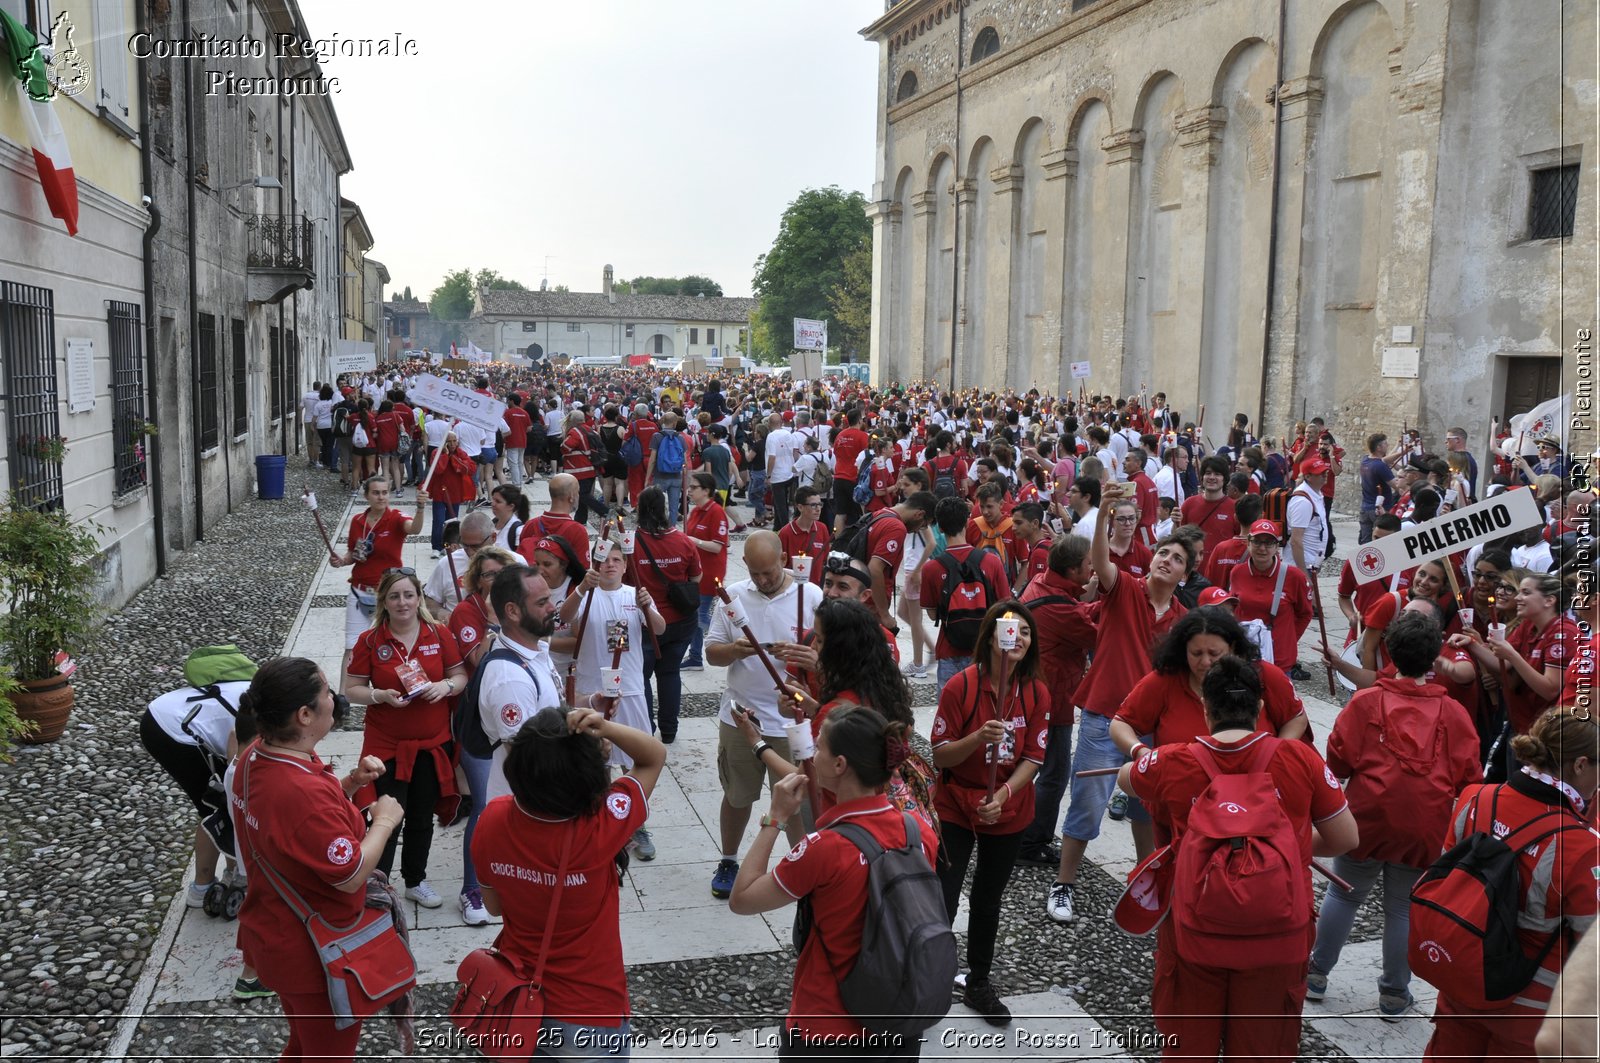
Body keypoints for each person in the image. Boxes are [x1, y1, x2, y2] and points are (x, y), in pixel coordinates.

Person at [1119, 656, 1357, 1061]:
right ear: (1261, 709)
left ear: (1205, 708)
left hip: (1194, 929)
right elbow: (1345, 837)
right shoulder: (1299, 759)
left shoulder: (1175, 760)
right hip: (1280, 934)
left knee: (1188, 1047)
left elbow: (1127, 776)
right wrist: (1292, 842)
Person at [729, 706, 938, 1060]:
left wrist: (775, 817)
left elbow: (743, 898)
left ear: (839, 765)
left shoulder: (824, 848)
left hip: (826, 1024)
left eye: (819, 746)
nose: (812, 752)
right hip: (899, 1016)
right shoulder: (918, 832)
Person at [1306, 611, 1481, 1021]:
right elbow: (1469, 777)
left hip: (1367, 817)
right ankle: (1393, 993)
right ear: (1434, 656)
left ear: (1390, 651)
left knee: (1343, 893)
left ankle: (1315, 975)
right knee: (1403, 908)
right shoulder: (1454, 713)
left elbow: (1339, 760)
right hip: (1424, 823)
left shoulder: (1367, 701)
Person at [230, 657, 404, 1062]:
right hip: (314, 955)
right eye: (327, 691)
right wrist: (384, 821)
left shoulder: (257, 754)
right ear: (305, 714)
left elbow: (292, 829)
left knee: (303, 1047)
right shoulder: (299, 793)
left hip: (274, 932)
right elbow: (350, 875)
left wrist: (350, 783)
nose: (335, 697)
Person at [473, 705, 666, 1060]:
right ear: (589, 777)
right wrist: (605, 726)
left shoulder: (492, 819)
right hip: (591, 1008)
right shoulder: (602, 826)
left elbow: (493, 906)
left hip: (516, 1001)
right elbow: (653, 757)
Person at [1421, 706, 1600, 1063]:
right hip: (1528, 1008)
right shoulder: (1584, 848)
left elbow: (1445, 876)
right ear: (1581, 765)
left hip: (1463, 977)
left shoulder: (1474, 798)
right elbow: (1589, 949)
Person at [1048, 486, 1191, 924]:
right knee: (1088, 803)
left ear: (1184, 575)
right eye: (1163, 552)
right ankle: (1064, 883)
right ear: (1151, 558)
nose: (1166, 559)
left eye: (1177, 558)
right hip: (1104, 714)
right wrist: (1107, 513)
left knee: (1147, 807)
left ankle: (1148, 879)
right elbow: (1103, 561)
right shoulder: (1124, 588)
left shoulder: (1184, 620)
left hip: (1151, 727)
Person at [932, 601, 1050, 1025]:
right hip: (956, 804)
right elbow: (941, 756)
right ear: (991, 637)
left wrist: (1001, 794)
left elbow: (1035, 756)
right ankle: (930, 977)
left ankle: (979, 980)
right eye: (1009, 630)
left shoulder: (1036, 691)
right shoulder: (960, 688)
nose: (1016, 638)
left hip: (1008, 807)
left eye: (1026, 632)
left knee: (988, 897)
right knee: (941, 897)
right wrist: (977, 737)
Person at [733, 598, 933, 822]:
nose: (812, 647)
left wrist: (756, 742)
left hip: (847, 823)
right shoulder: (883, 691)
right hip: (886, 816)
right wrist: (811, 706)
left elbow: (805, 778)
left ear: (839, 649)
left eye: (818, 640)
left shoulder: (833, 716)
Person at [704, 531, 822, 898]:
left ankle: (803, 864)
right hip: (741, 715)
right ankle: (728, 858)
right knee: (738, 794)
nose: (762, 580)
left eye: (768, 572)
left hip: (793, 719)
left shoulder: (810, 595)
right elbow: (712, 653)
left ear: (784, 558)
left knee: (796, 797)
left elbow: (826, 654)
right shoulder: (734, 597)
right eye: (755, 573)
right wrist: (736, 650)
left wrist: (807, 657)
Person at [343, 569, 467, 909]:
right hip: (387, 747)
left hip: (432, 745)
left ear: (419, 599)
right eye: (395, 596)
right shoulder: (370, 641)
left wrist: (445, 687)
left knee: (421, 814)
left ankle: (415, 880)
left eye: (409, 595)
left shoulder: (439, 634)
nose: (402, 602)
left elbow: (460, 676)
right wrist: (379, 695)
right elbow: (351, 689)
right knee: (384, 815)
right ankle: (377, 883)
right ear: (384, 601)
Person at [1015, 534, 1099, 867]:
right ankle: (1031, 843)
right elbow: (1096, 632)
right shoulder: (1064, 609)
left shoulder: (1040, 583)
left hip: (1032, 690)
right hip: (1054, 697)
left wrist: (1089, 597)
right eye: (1089, 564)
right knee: (1053, 772)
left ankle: (1014, 829)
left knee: (1028, 764)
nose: (1093, 568)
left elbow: (1078, 610)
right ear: (1074, 570)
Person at [448, 545, 519, 926]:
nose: (494, 580)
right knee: (483, 806)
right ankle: (470, 888)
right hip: (478, 723)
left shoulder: (515, 606)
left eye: (500, 573)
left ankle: (511, 877)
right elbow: (477, 659)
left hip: (513, 714)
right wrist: (494, 622)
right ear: (477, 580)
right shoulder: (466, 611)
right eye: (488, 575)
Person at [330, 475, 426, 691]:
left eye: (385, 492)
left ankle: (410, 686)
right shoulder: (357, 521)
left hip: (388, 594)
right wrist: (341, 560)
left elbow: (414, 529)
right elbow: (355, 553)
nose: (381, 497)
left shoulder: (396, 518)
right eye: (376, 492)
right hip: (359, 591)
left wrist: (420, 508)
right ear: (367, 496)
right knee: (351, 646)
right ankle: (345, 695)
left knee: (400, 640)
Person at [631, 485, 702, 743]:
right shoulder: (682, 540)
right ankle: (669, 731)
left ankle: (646, 729)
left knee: (642, 676)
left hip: (647, 622)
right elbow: (696, 577)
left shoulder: (633, 544)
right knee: (670, 673)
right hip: (681, 622)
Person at [920, 497, 1012, 687]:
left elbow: (932, 614)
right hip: (983, 649)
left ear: (941, 528)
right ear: (967, 522)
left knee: (949, 710)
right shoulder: (991, 562)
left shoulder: (931, 569)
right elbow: (1005, 607)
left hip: (949, 649)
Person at [1223, 518, 1313, 680]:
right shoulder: (1237, 572)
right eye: (1257, 542)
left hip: (1279, 660)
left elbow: (1305, 614)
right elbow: (1232, 610)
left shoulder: (1294, 577)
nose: (1262, 548)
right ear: (1248, 543)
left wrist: (1287, 640)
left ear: (1277, 546)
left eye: (1269, 543)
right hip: (1245, 657)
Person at [681, 471, 731, 672]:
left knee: (700, 617)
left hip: (710, 573)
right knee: (695, 614)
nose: (689, 491)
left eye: (693, 487)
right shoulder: (695, 511)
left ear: (706, 490)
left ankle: (728, 637)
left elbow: (718, 546)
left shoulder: (717, 512)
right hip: (695, 571)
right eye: (689, 487)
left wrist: (696, 542)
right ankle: (695, 657)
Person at [778, 484, 832, 588]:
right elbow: (780, 565)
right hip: (793, 588)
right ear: (800, 507)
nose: (818, 509)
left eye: (820, 504)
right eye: (813, 505)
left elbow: (825, 559)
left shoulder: (822, 528)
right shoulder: (786, 533)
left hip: (816, 588)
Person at [487, 483, 529, 552]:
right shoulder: (492, 523)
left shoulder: (518, 531)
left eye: (498, 501)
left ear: (511, 506)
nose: (493, 504)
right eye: (493, 499)